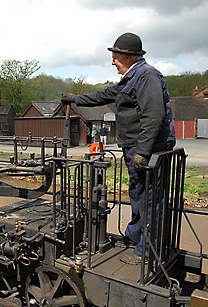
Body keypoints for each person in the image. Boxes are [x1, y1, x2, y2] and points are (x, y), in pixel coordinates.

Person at [62, 32, 176, 264]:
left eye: (115, 57)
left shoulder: (146, 76)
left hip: (149, 152)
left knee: (150, 201)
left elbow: (154, 116)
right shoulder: (131, 79)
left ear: (129, 56)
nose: (112, 61)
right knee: (137, 195)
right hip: (135, 150)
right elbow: (104, 95)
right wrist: (76, 99)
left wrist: (143, 152)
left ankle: (148, 253)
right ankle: (135, 237)